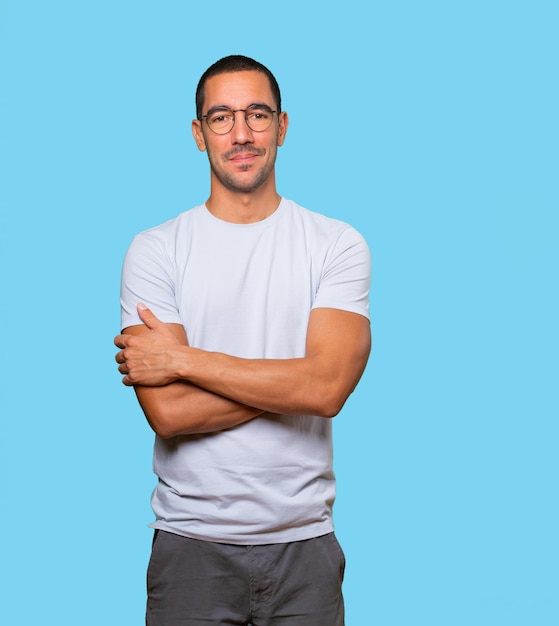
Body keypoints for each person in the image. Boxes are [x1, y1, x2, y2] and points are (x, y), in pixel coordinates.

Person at [114, 54, 371, 626]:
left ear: (282, 127)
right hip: (190, 548)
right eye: (222, 117)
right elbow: (171, 413)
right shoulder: (156, 250)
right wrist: (296, 381)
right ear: (198, 134)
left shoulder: (336, 244)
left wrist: (183, 359)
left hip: (305, 546)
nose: (242, 133)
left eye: (257, 114)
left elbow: (327, 390)